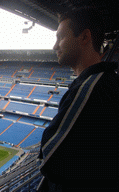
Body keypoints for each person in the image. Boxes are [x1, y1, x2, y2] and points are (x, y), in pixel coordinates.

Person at [37, 7, 119, 191]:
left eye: (60, 37)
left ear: (84, 37)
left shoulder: (90, 88)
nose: (54, 46)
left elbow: (50, 158)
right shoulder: (106, 82)